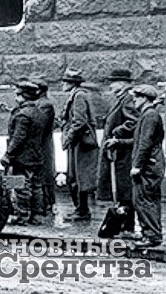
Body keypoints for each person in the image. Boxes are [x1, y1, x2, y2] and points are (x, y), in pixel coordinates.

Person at [98, 68, 138, 234]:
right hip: (118, 151)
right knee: (123, 191)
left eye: (112, 82)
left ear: (123, 83)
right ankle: (125, 225)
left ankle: (127, 225)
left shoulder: (128, 99)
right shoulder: (122, 98)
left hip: (124, 153)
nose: (110, 85)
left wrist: (117, 132)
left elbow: (134, 121)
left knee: (125, 190)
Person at [125, 85, 165, 248]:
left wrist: (137, 165)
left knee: (145, 199)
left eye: (137, 96)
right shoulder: (149, 115)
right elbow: (140, 141)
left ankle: (152, 235)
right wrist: (119, 143)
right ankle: (148, 231)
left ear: (144, 98)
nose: (134, 99)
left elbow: (145, 143)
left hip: (149, 165)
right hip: (151, 164)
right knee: (143, 199)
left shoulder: (149, 116)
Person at [2, 80, 45, 226]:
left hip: (23, 157)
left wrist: (8, 154)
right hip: (37, 155)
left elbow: (18, 138)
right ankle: (37, 216)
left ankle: (22, 216)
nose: (15, 98)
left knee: (22, 186)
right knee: (37, 186)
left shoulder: (22, 115)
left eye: (18, 95)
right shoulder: (39, 112)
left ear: (23, 96)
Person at [61, 68, 99, 221]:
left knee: (78, 177)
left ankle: (82, 210)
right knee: (76, 177)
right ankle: (80, 209)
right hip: (79, 143)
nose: (62, 85)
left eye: (65, 82)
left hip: (81, 144)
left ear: (71, 83)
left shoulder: (78, 96)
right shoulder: (77, 95)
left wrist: (68, 138)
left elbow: (79, 121)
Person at [28, 73, 57, 217]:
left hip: (42, 145)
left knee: (45, 175)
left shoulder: (45, 105)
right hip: (39, 144)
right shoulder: (41, 104)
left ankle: (47, 204)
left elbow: (39, 126)